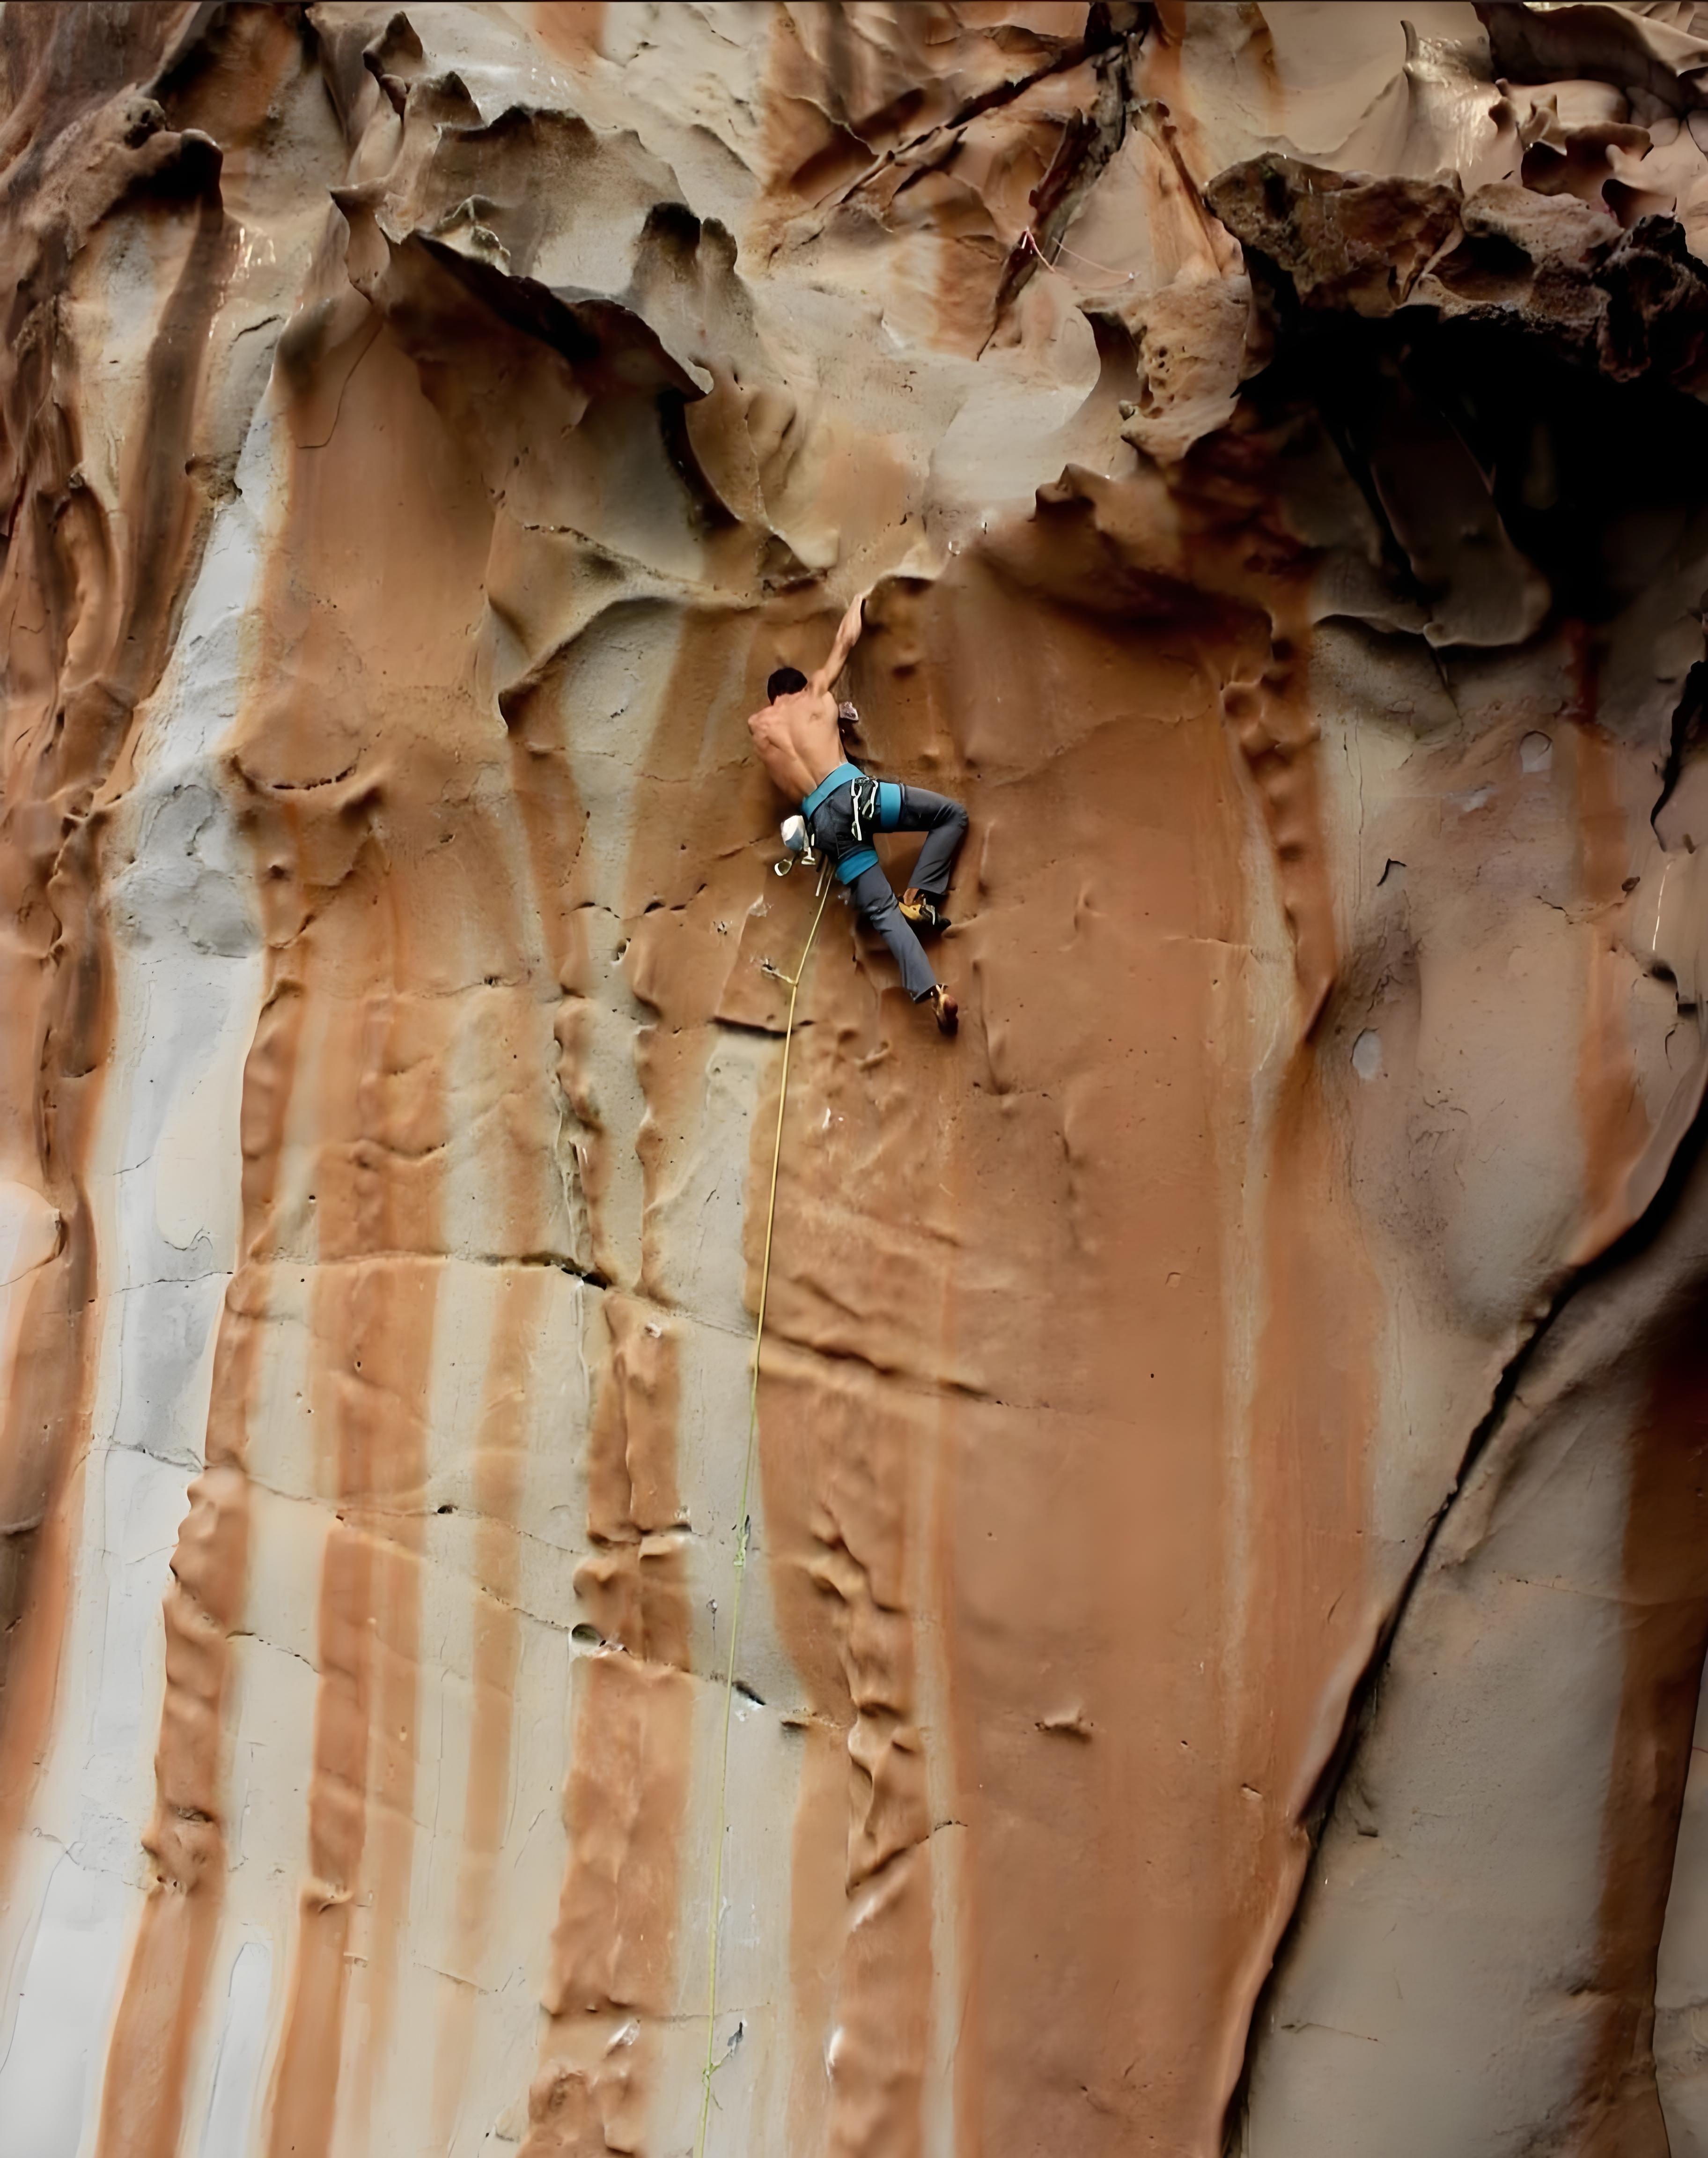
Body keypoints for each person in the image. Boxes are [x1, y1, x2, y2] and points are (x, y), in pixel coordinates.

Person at [747, 588, 968, 1034]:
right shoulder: (814, 695)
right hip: (856, 796)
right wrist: (860, 599)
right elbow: (845, 641)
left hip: (822, 824)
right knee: (951, 816)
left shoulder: (759, 731)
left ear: (773, 698)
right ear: (796, 687)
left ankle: (934, 994)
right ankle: (921, 896)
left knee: (882, 915)